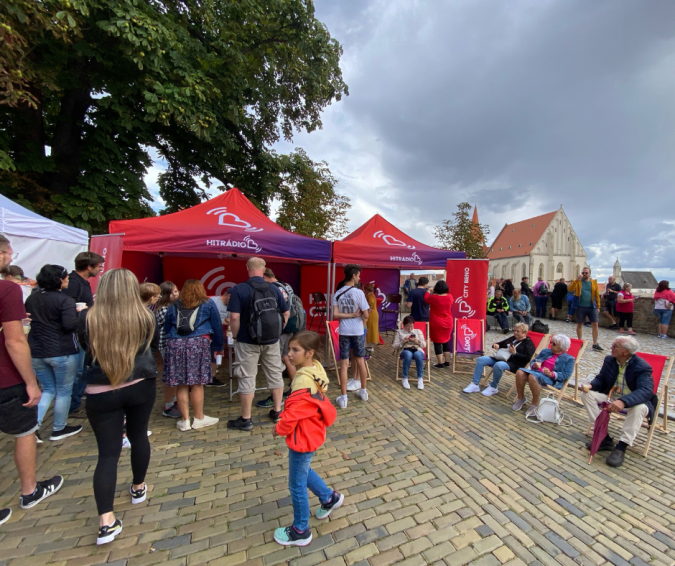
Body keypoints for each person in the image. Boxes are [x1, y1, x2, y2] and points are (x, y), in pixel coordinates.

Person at [77, 268, 157, 544]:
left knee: (108, 454)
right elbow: (151, 346)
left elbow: (86, 347)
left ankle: (106, 520)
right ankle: (138, 486)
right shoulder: (145, 316)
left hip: (102, 389)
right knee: (139, 435)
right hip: (139, 384)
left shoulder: (88, 318)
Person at [0, 235, 64, 528]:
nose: (11, 257)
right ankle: (29, 490)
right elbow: (14, 340)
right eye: (9, 253)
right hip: (7, 376)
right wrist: (30, 382)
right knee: (25, 431)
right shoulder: (7, 289)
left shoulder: (26, 293)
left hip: (28, 358)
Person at [272, 331, 343, 547]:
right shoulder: (316, 368)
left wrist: (279, 428)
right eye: (290, 349)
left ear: (309, 353)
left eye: (296, 350)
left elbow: (293, 414)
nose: (290, 353)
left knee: (296, 484)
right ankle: (328, 498)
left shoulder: (302, 381)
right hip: (312, 431)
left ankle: (300, 530)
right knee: (303, 470)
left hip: (302, 436)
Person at [227, 257, 289, 430]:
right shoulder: (274, 288)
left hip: (247, 341)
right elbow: (286, 312)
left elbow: (234, 317)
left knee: (247, 376)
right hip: (272, 340)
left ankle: (246, 419)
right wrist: (277, 331)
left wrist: (236, 336)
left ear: (247, 268)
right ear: (264, 269)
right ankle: (277, 411)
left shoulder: (238, 289)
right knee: (275, 374)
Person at [25, 265, 83, 442]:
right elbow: (69, 325)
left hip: (37, 351)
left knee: (48, 389)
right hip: (62, 351)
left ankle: (33, 427)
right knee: (64, 391)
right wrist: (79, 314)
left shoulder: (32, 299)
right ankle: (59, 428)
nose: (68, 280)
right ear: (59, 280)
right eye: (66, 277)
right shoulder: (65, 301)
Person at [580, 336, 657, 468]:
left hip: (635, 402)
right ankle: (604, 437)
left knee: (639, 409)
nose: (611, 347)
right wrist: (592, 385)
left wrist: (623, 401)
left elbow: (646, 391)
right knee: (587, 395)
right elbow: (601, 378)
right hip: (612, 396)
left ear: (626, 352)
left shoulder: (643, 367)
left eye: (615, 346)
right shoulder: (610, 360)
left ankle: (621, 446)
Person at [163, 279, 224, 431]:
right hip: (198, 344)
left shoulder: (174, 305)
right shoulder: (208, 303)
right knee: (197, 383)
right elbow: (217, 326)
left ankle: (185, 420)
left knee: (181, 383)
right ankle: (199, 418)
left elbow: (167, 327)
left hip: (175, 345)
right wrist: (218, 347)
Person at [62, 251, 104, 418]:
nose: (100, 269)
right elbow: (66, 307)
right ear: (88, 267)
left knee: (82, 369)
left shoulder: (82, 282)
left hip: (84, 331)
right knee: (79, 371)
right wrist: (81, 311)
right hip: (76, 333)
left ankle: (76, 401)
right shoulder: (73, 283)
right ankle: (73, 406)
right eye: (98, 266)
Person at [333, 264, 370, 409]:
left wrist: (349, 315)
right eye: (359, 275)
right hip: (358, 331)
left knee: (343, 364)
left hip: (344, 331)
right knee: (360, 360)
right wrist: (356, 314)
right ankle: (363, 392)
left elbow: (335, 314)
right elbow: (366, 315)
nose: (359, 278)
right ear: (354, 275)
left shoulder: (338, 293)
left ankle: (343, 398)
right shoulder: (359, 293)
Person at [463, 322, 534, 396]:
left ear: (524, 333)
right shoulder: (513, 338)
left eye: (518, 331)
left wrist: (515, 353)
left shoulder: (528, 343)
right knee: (481, 360)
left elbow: (527, 358)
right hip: (501, 358)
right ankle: (475, 384)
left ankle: (494, 386)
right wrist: (496, 345)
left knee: (498, 365)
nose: (515, 333)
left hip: (515, 364)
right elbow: (500, 343)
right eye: (514, 330)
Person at [512, 334, 575, 416]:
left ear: (562, 347)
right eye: (551, 342)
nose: (551, 344)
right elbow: (533, 362)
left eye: (554, 344)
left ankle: (535, 404)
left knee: (532, 377)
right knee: (520, 372)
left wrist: (552, 374)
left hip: (551, 379)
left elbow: (566, 375)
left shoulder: (569, 359)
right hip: (536, 373)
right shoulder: (545, 351)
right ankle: (521, 398)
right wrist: (535, 365)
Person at [155, 281, 181, 418]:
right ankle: (169, 405)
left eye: (176, 291)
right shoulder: (164, 310)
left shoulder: (173, 307)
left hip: (173, 345)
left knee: (175, 375)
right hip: (168, 346)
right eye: (171, 292)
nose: (175, 294)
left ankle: (174, 400)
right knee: (171, 376)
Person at [568, 267, 603, 351]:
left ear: (589, 273)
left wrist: (598, 306)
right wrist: (576, 280)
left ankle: (595, 343)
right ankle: (580, 341)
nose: (584, 274)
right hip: (580, 306)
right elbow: (570, 289)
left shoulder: (593, 282)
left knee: (595, 324)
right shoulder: (578, 282)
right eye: (583, 273)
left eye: (586, 273)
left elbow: (597, 295)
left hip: (591, 306)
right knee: (580, 324)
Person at [424, 280, 454, 368]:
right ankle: (447, 362)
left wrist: (428, 291)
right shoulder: (449, 296)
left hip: (436, 322)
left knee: (437, 342)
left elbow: (426, 299)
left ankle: (440, 363)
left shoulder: (434, 298)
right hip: (448, 322)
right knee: (445, 341)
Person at [393, 315, 427, 390]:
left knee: (418, 355)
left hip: (417, 349)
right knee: (408, 354)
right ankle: (405, 378)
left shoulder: (418, 331)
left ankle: (420, 378)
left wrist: (417, 341)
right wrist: (403, 342)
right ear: (404, 325)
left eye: (411, 326)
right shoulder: (400, 332)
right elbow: (394, 346)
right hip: (405, 350)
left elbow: (424, 344)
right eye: (407, 326)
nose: (410, 328)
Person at [208, 288, 230, 388]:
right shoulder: (213, 301)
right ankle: (209, 378)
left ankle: (211, 377)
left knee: (216, 355)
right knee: (211, 355)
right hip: (209, 333)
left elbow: (227, 320)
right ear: (228, 296)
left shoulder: (229, 306)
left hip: (218, 333)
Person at [363, 283, 380, 352]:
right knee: (371, 329)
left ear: (366, 289)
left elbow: (370, 302)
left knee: (369, 330)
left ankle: (369, 346)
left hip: (371, 315)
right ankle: (369, 345)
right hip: (373, 314)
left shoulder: (370, 295)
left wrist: (367, 308)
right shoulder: (371, 295)